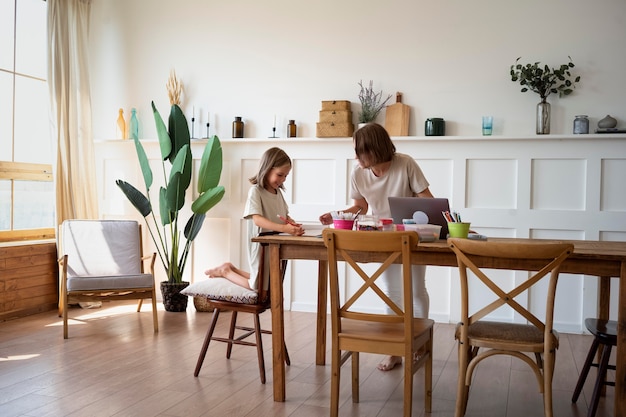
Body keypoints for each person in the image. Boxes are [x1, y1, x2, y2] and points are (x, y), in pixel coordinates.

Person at [319, 122, 434, 371]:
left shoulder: (406, 164)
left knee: (415, 291)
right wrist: (338, 214)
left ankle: (419, 345)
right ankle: (394, 351)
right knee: (392, 293)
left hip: (412, 236)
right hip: (384, 237)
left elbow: (429, 202)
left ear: (375, 149)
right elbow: (361, 207)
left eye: (360, 151)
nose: (356, 156)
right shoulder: (358, 172)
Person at [205, 147, 304, 290]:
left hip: (274, 244)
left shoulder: (278, 193)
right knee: (258, 286)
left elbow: (283, 215)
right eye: (280, 175)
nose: (282, 180)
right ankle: (225, 271)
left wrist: (291, 222)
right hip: (261, 244)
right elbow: (257, 219)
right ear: (268, 168)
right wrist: (285, 229)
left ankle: (230, 268)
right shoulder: (256, 191)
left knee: (267, 280)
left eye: (286, 176)